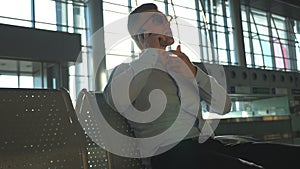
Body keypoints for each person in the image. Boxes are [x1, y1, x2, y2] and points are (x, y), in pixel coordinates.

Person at [103, 3, 300, 169]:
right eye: (158, 20)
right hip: (167, 155)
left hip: (207, 145)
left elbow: (224, 106)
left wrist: (195, 73)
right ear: (141, 34)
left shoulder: (182, 66)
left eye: (166, 19)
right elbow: (115, 102)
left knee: (289, 156)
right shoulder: (127, 70)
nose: (167, 24)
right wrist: (150, 54)